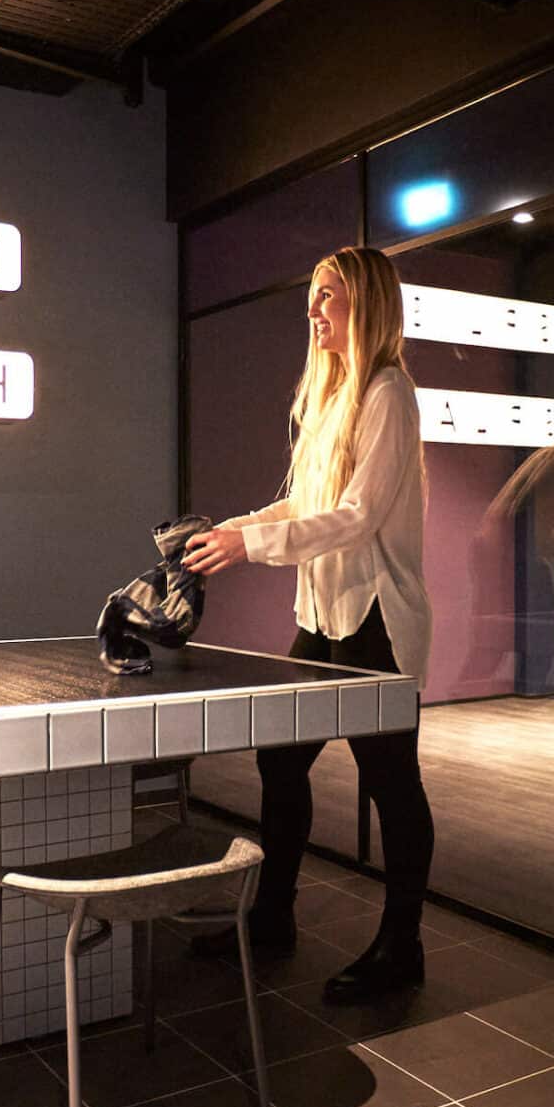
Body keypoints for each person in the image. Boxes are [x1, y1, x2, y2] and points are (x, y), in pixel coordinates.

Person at [183, 245, 436, 1004]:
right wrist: (231, 529)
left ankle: (403, 944)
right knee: (283, 762)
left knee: (391, 781)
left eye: (328, 296)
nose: (313, 310)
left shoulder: (389, 392)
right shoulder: (331, 399)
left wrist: (248, 545)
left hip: (375, 623)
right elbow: (307, 503)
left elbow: (355, 519)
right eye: (312, 298)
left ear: (366, 303)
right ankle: (272, 915)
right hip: (323, 615)